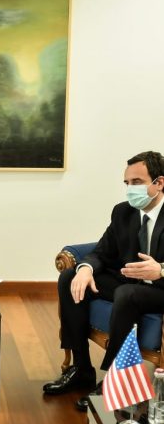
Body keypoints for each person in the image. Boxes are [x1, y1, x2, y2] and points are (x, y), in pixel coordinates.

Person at [43, 151, 164, 410]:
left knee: (128, 294)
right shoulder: (123, 212)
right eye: (127, 183)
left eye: (137, 182)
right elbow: (102, 250)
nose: (130, 189)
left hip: (160, 288)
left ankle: (113, 380)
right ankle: (81, 369)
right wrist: (85, 269)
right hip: (129, 282)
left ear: (159, 183)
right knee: (70, 277)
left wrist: (161, 270)